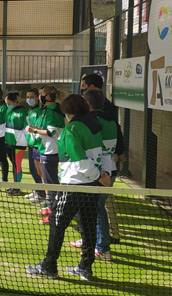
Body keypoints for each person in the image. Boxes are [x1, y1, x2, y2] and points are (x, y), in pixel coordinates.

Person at [26, 94, 110, 281]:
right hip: (91, 186)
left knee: (57, 223)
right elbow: (103, 154)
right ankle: (85, 268)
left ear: (67, 111)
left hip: (73, 185)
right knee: (88, 226)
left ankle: (49, 266)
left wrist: (98, 176)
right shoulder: (94, 125)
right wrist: (104, 175)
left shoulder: (71, 130)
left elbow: (80, 161)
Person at [67, 88, 119, 261]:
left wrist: (99, 175)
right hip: (106, 171)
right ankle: (89, 240)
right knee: (90, 210)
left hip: (99, 174)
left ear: (87, 103)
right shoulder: (110, 120)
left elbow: (96, 151)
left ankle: (102, 248)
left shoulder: (94, 122)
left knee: (96, 210)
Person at [80, 74, 125, 244]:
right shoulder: (101, 118)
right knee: (100, 204)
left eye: (84, 85)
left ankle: (103, 240)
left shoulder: (101, 116)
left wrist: (120, 151)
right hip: (105, 166)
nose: (82, 87)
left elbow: (114, 133)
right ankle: (102, 236)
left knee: (99, 205)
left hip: (103, 167)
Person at [26, 86, 65, 223]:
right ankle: (51, 207)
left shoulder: (54, 111)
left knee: (52, 183)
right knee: (47, 181)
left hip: (51, 151)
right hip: (44, 149)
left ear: (47, 96)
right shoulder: (45, 110)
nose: (39, 97)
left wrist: (34, 131)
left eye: (41, 94)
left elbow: (51, 132)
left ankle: (55, 213)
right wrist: (34, 129)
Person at [24, 88, 46, 204]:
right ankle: (38, 190)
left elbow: (38, 128)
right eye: (27, 97)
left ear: (38, 98)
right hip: (31, 144)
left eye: (31, 97)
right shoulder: (30, 111)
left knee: (39, 171)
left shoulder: (40, 111)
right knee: (33, 170)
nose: (29, 99)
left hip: (38, 144)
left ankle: (42, 194)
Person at [3, 92, 27, 195]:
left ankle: (17, 188)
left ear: (15, 101)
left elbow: (27, 128)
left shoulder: (23, 112)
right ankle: (15, 185)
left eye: (9, 103)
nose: (7, 105)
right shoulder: (8, 110)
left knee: (17, 165)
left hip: (19, 144)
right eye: (6, 103)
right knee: (14, 165)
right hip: (9, 142)